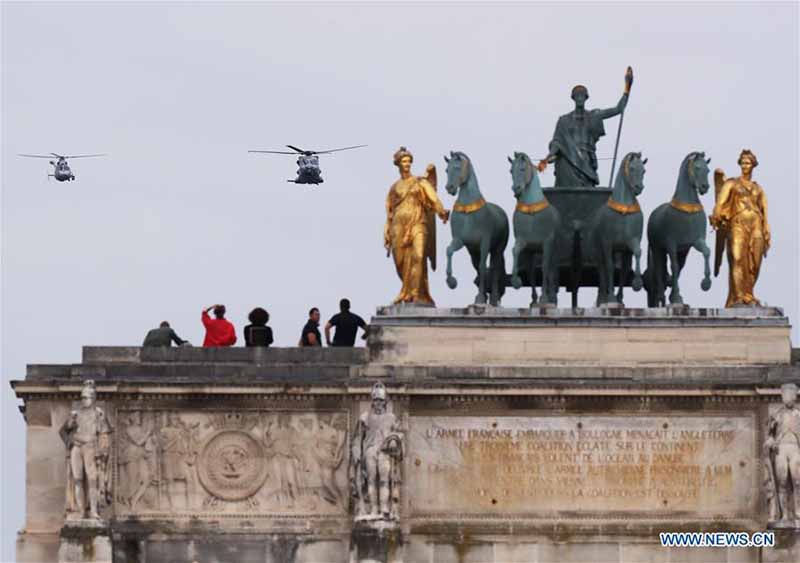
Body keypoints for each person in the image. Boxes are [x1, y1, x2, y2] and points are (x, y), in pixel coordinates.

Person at [538, 67, 634, 187]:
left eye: (582, 96)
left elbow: (618, 109)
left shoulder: (594, 116)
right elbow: (557, 141)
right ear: (573, 98)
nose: (579, 98)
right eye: (577, 96)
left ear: (586, 98)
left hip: (587, 162)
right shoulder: (564, 120)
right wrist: (548, 158)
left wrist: (627, 89)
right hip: (567, 162)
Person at [384, 146, 449, 305]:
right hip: (398, 226)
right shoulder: (394, 188)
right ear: (398, 164)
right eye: (404, 161)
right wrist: (387, 229)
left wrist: (441, 211)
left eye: (408, 161)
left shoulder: (420, 182)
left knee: (419, 256)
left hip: (418, 222)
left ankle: (416, 294)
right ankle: (405, 291)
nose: (407, 164)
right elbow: (390, 211)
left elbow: (433, 198)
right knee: (400, 261)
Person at [710, 149, 770, 307]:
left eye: (748, 163)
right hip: (737, 225)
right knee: (737, 259)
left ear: (753, 165)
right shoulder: (731, 183)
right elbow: (720, 203)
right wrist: (716, 216)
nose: (745, 165)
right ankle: (738, 297)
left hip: (756, 224)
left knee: (755, 262)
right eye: (743, 162)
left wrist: (766, 228)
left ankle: (749, 293)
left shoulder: (759, 189)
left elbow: (764, 210)